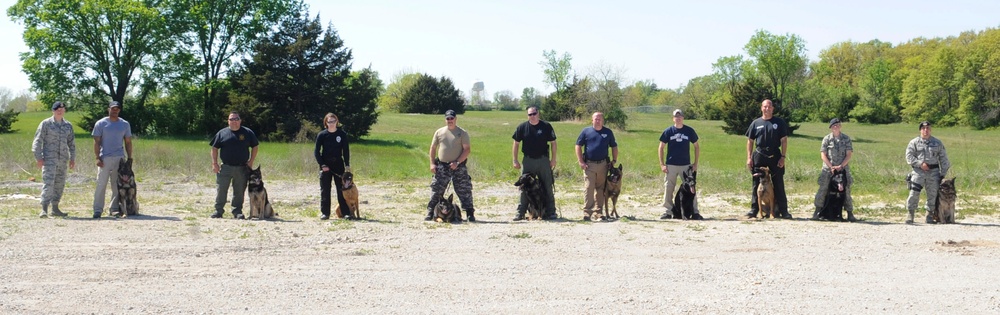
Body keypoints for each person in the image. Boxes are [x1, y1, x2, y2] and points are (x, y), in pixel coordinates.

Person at [425, 109, 476, 222]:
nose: (450, 120)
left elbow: (467, 150)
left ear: (455, 119)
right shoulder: (439, 132)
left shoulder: (462, 133)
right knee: (436, 189)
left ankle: (469, 213)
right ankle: (430, 212)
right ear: (445, 120)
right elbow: (433, 148)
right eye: (448, 118)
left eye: (452, 118)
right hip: (442, 167)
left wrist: (457, 162)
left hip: (458, 166)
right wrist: (432, 163)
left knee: (464, 190)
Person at [745, 99, 791, 219]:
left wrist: (783, 157)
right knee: (756, 183)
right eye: (765, 107)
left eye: (769, 107)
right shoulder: (756, 123)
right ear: (761, 108)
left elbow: (784, 140)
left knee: (778, 183)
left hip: (775, 155)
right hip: (759, 155)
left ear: (772, 108)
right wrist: (749, 157)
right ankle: (754, 209)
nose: (767, 109)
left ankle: (783, 210)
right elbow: (750, 141)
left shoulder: (779, 122)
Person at [209, 111, 259, 220]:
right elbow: (214, 148)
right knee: (221, 189)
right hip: (225, 167)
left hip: (242, 167)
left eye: (236, 119)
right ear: (228, 121)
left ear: (240, 120)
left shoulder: (247, 132)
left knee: (239, 191)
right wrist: (214, 163)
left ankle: (237, 211)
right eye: (231, 119)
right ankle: (218, 211)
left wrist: (251, 161)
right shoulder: (222, 133)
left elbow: (255, 146)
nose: (234, 121)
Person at [512, 106, 558, 221]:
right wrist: (515, 160)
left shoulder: (546, 126)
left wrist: (553, 159)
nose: (532, 116)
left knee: (547, 185)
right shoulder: (522, 127)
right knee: (524, 187)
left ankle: (551, 211)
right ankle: (520, 212)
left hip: (543, 160)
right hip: (528, 160)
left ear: (538, 114)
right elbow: (516, 144)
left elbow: (553, 143)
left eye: (534, 113)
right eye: (529, 114)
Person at [32, 101, 76, 218]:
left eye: (62, 108)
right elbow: (37, 141)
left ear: (64, 110)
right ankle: (44, 209)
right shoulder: (46, 124)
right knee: (48, 184)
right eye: (57, 109)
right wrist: (39, 158)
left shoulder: (68, 126)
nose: (60, 110)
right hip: (49, 160)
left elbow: (71, 144)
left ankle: (55, 208)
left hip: (62, 160)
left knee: (59, 184)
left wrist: (72, 158)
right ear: (53, 111)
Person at [92, 101, 133, 219]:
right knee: (101, 184)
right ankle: (97, 209)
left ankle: (114, 209)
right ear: (108, 109)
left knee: (116, 184)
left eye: (117, 109)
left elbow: (128, 142)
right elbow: (96, 142)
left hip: (119, 158)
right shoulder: (101, 123)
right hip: (105, 157)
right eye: (113, 108)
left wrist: (129, 158)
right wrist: (97, 157)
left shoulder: (124, 124)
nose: (115, 111)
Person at [658, 109, 701, 220]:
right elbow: (661, 147)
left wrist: (695, 163)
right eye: (676, 117)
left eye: (680, 116)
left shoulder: (689, 131)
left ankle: (695, 212)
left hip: (685, 165)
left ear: (683, 118)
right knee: (669, 187)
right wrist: (662, 164)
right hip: (671, 165)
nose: (678, 118)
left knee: (691, 187)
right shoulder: (668, 131)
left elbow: (696, 146)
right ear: (673, 118)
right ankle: (667, 211)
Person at [575, 111, 618, 221]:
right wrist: (581, 161)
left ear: (603, 120)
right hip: (589, 164)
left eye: (600, 119)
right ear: (592, 120)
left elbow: (614, 146)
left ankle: (598, 212)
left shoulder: (608, 132)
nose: (598, 121)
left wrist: (614, 160)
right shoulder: (586, 131)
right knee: (589, 188)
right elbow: (578, 146)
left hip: (603, 165)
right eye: (596, 119)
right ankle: (587, 212)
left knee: (600, 189)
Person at [905, 121, 950, 224]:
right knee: (913, 193)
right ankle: (910, 214)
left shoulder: (937, 143)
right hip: (918, 172)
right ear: (920, 130)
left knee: (932, 194)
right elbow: (909, 156)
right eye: (923, 128)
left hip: (933, 172)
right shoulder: (914, 142)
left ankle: (929, 215)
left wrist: (942, 174)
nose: (926, 130)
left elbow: (943, 159)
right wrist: (920, 164)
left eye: (928, 128)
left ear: (930, 130)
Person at [812, 118, 856, 222]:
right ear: (831, 127)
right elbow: (823, 154)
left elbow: (849, 154)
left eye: (837, 124)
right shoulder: (827, 139)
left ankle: (850, 213)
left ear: (840, 126)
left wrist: (841, 166)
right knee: (823, 189)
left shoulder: (846, 139)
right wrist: (831, 166)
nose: (836, 126)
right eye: (833, 125)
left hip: (843, 169)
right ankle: (817, 211)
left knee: (846, 190)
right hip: (828, 169)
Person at [315, 113, 354, 220]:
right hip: (325, 166)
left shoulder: (342, 134)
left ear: (337, 121)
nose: (331, 123)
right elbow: (317, 152)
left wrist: (347, 164)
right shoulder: (322, 135)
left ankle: (346, 212)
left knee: (341, 190)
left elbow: (345, 150)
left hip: (338, 165)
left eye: (333, 121)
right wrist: (322, 164)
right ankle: (325, 213)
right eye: (329, 122)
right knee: (325, 190)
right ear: (326, 123)